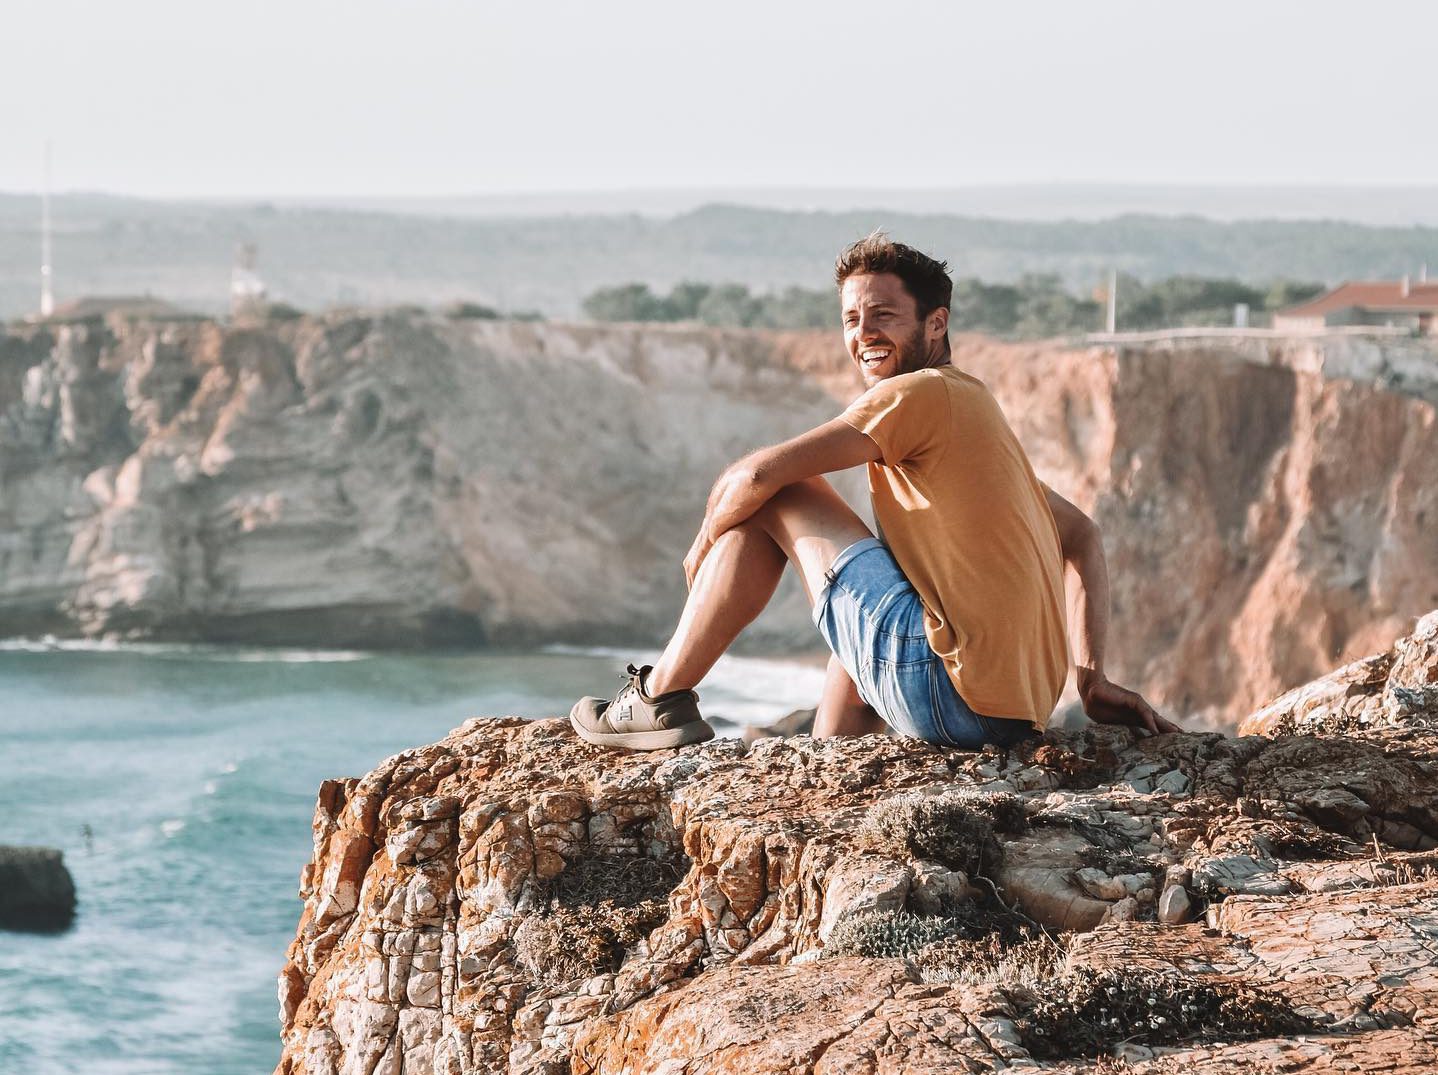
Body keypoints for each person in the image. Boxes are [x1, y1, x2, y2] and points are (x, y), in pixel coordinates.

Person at [571, 233, 1178, 751]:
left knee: (784, 493)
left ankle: (659, 698)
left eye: (884, 315)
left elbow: (756, 478)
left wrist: (705, 539)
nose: (864, 333)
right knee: (887, 581)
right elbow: (1084, 536)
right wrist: (1091, 678)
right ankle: (829, 757)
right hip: (1012, 717)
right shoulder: (972, 410)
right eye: (851, 319)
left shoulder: (918, 394)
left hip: (947, 697)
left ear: (935, 322)